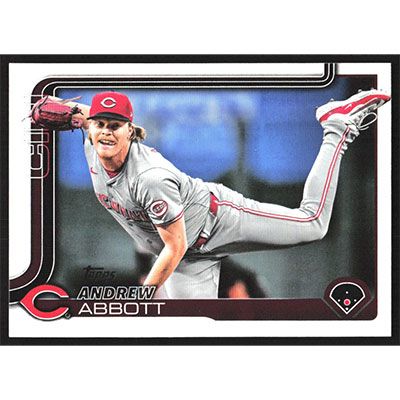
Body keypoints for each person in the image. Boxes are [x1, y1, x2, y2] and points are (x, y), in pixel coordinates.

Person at [56, 89, 390, 298]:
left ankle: (336, 127)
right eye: (100, 124)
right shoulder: (93, 143)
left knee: (313, 223)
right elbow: (80, 113)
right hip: (189, 256)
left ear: (131, 130)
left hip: (216, 221)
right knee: (190, 335)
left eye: (115, 125)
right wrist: (47, 107)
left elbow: (175, 246)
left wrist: (141, 299)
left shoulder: (149, 178)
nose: (106, 132)